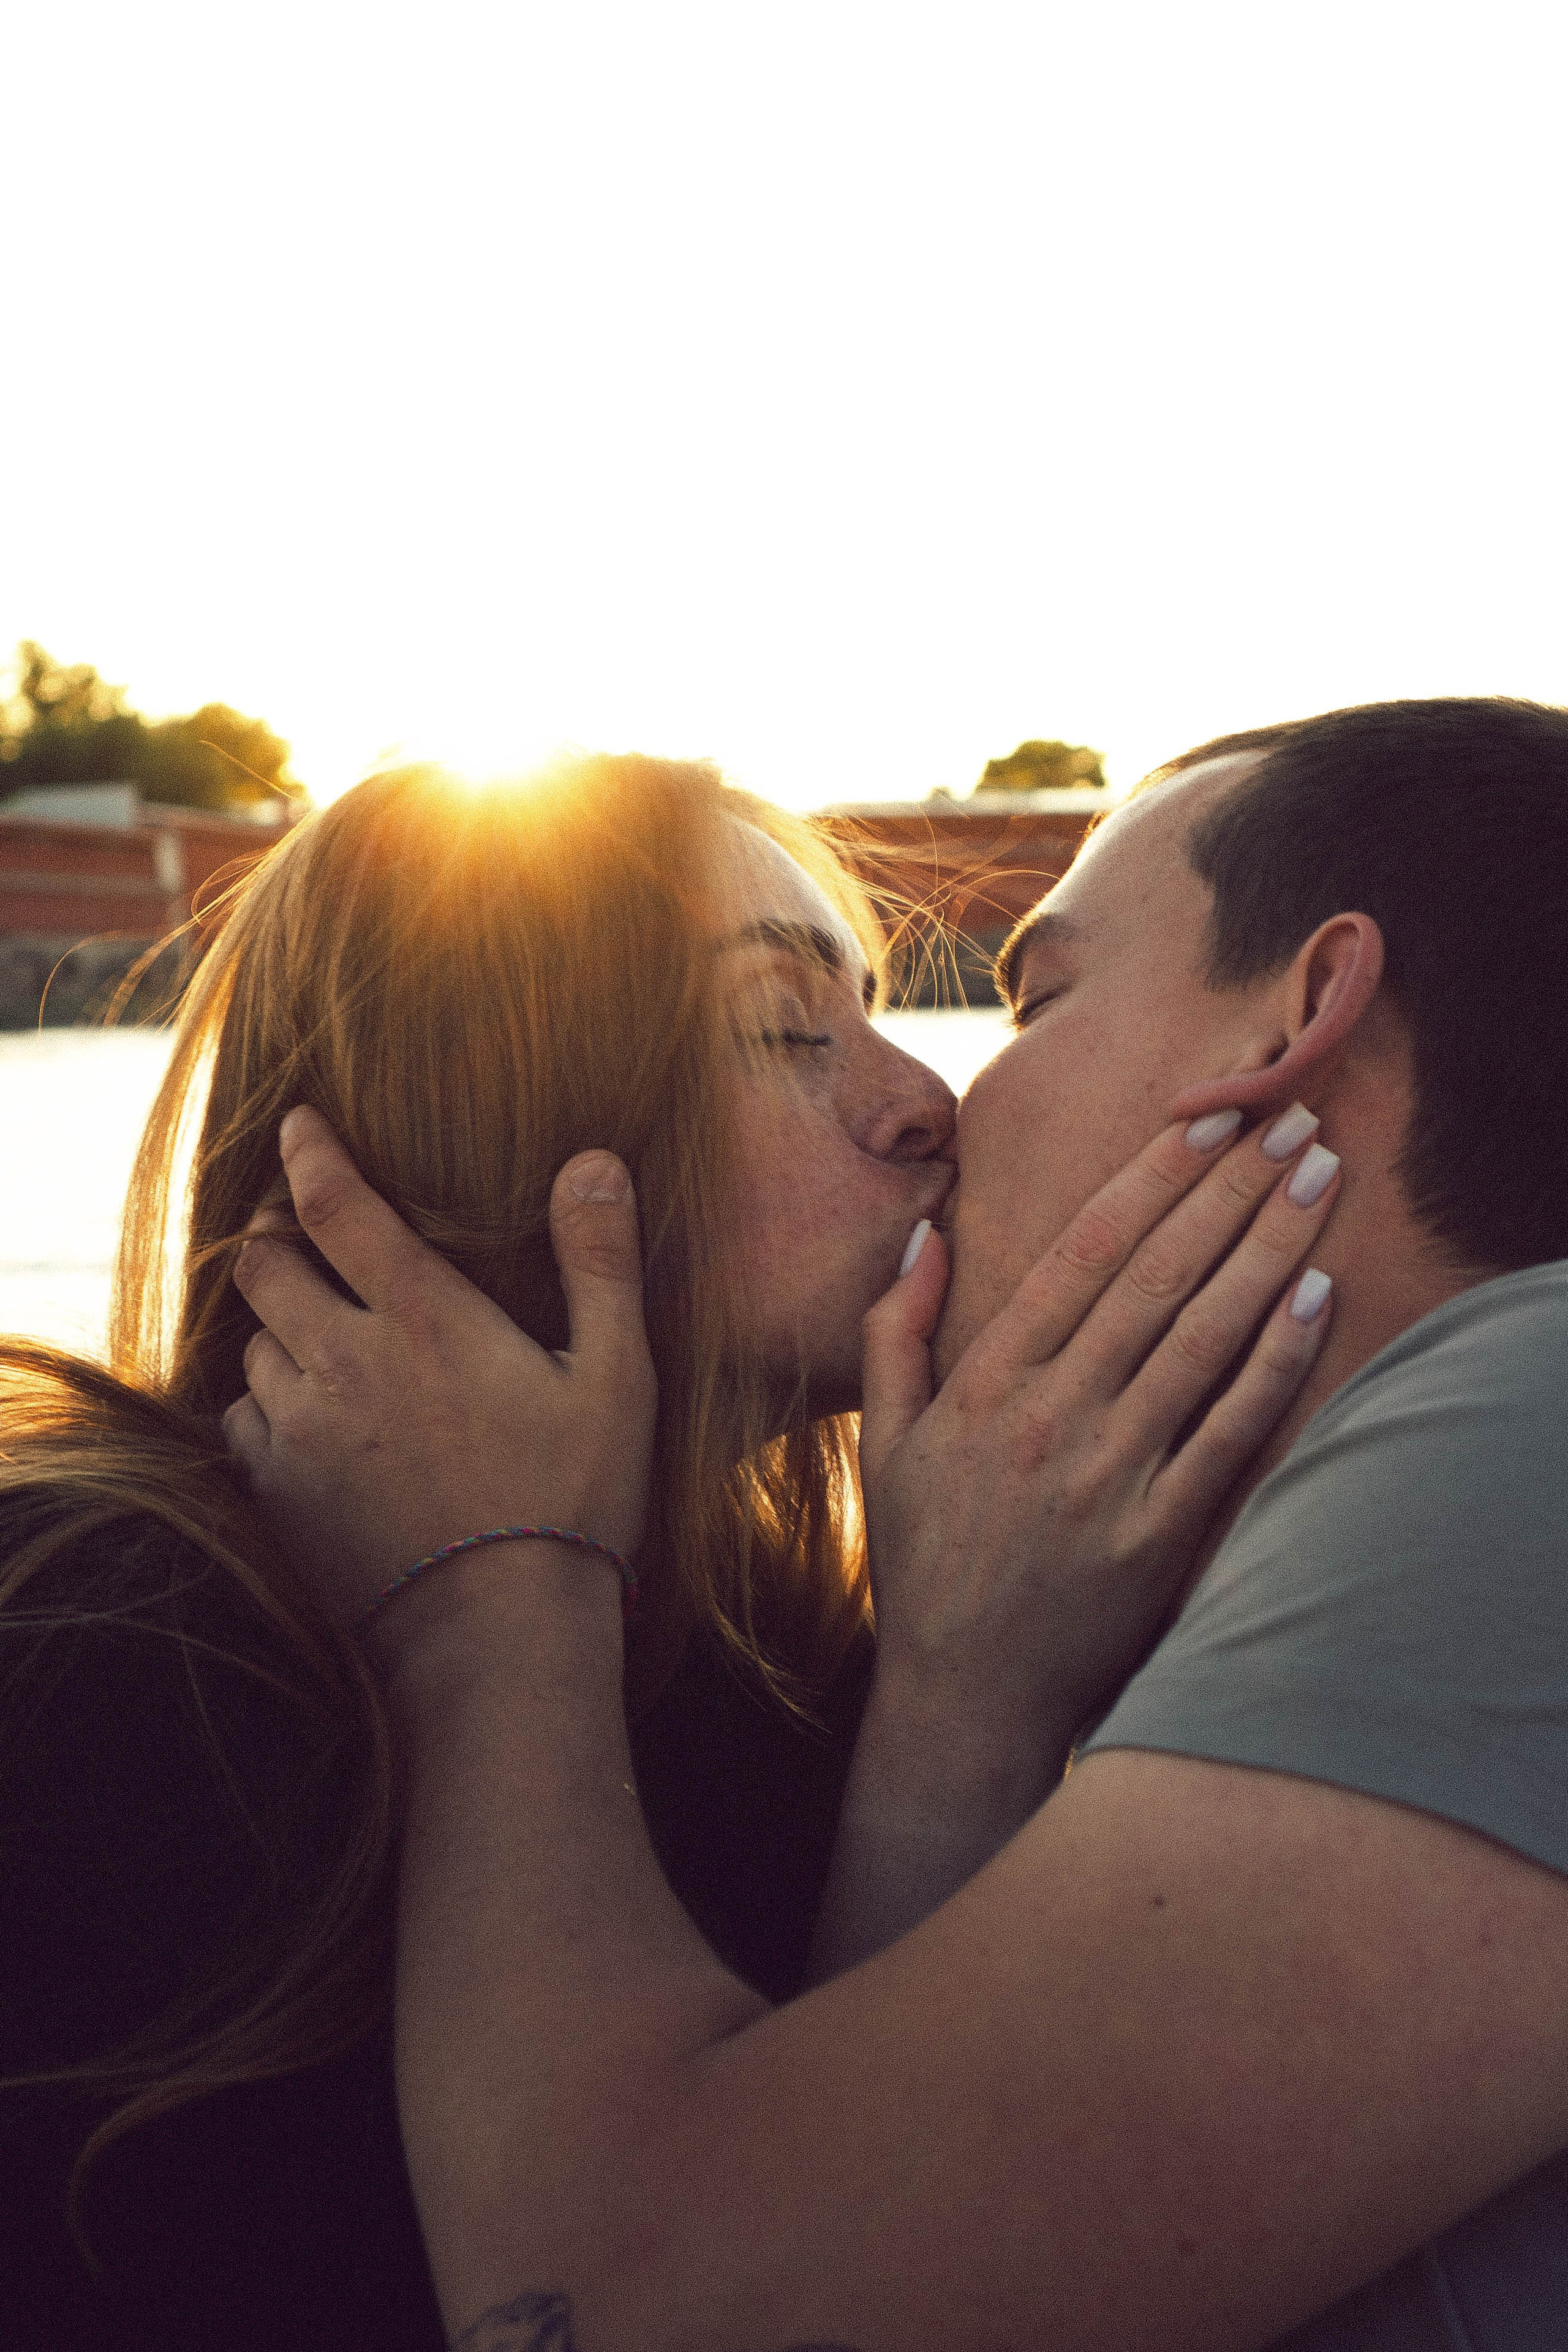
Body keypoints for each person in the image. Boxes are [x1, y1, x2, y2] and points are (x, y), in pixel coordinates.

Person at [232, 695, 1568, 2352]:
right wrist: (962, 1703)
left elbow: (646, 2308)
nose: (944, 1099)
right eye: (794, 1031)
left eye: (1039, 994)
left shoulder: (1535, 1431)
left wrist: (489, 1603)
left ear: (1299, 1015)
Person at [0, 753, 1330, 2350]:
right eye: (786, 1030)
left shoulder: (796, 1669)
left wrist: (956, 1704)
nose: (924, 1099)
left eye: (877, 1016)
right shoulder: (108, 1641)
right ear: (504, 1112)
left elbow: (835, 2263)